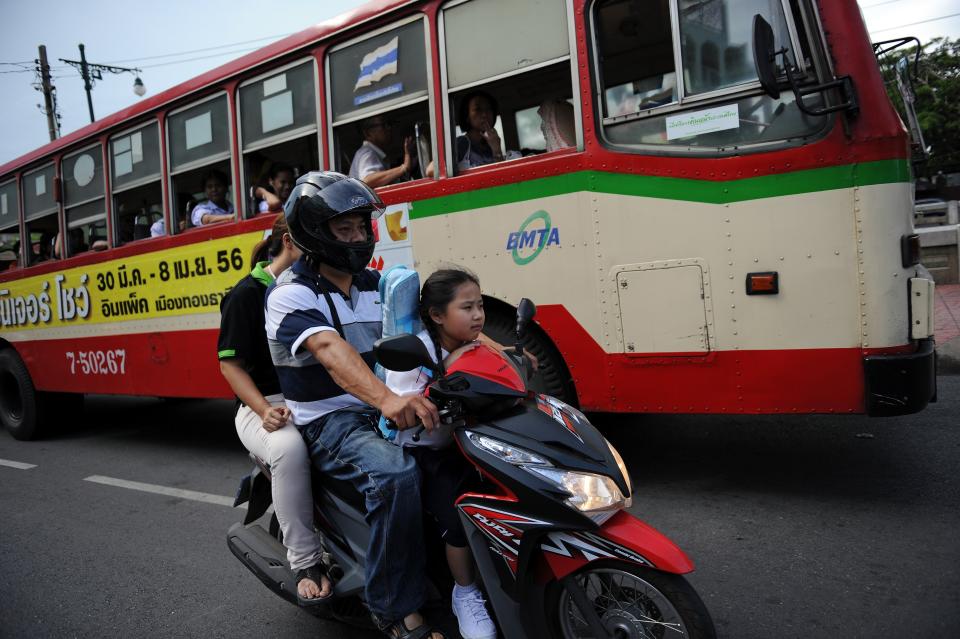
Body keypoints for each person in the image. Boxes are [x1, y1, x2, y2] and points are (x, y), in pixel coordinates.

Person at [265, 171, 444, 639]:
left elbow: (439, 323)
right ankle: (394, 608)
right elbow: (330, 351)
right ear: (313, 233)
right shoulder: (291, 293)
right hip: (331, 421)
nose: (358, 237)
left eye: (362, 227)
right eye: (344, 229)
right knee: (395, 475)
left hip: (382, 407)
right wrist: (386, 399)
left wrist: (497, 353)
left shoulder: (376, 283)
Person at [217, 213, 332, 606]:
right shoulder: (246, 294)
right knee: (288, 449)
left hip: (315, 399)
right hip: (265, 405)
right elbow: (230, 365)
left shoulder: (318, 287)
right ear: (288, 241)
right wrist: (264, 408)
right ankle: (304, 561)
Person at [383, 268, 497, 639]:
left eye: (480, 305)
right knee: (458, 511)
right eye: (467, 307)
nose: (478, 315)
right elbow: (403, 411)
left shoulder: (474, 342)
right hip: (424, 453)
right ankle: (464, 592)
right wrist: (442, 377)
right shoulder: (416, 351)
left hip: (465, 441)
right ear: (436, 315)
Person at [455, 90, 519, 171]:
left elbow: (502, 174)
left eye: (488, 109)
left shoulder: (489, 145)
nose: (484, 114)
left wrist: (496, 150)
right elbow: (434, 168)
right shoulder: (461, 144)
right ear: (467, 116)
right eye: (478, 109)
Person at [349, 116, 414, 188]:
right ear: (368, 133)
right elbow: (368, 181)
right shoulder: (367, 153)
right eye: (383, 125)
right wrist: (404, 168)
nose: (389, 128)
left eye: (389, 124)